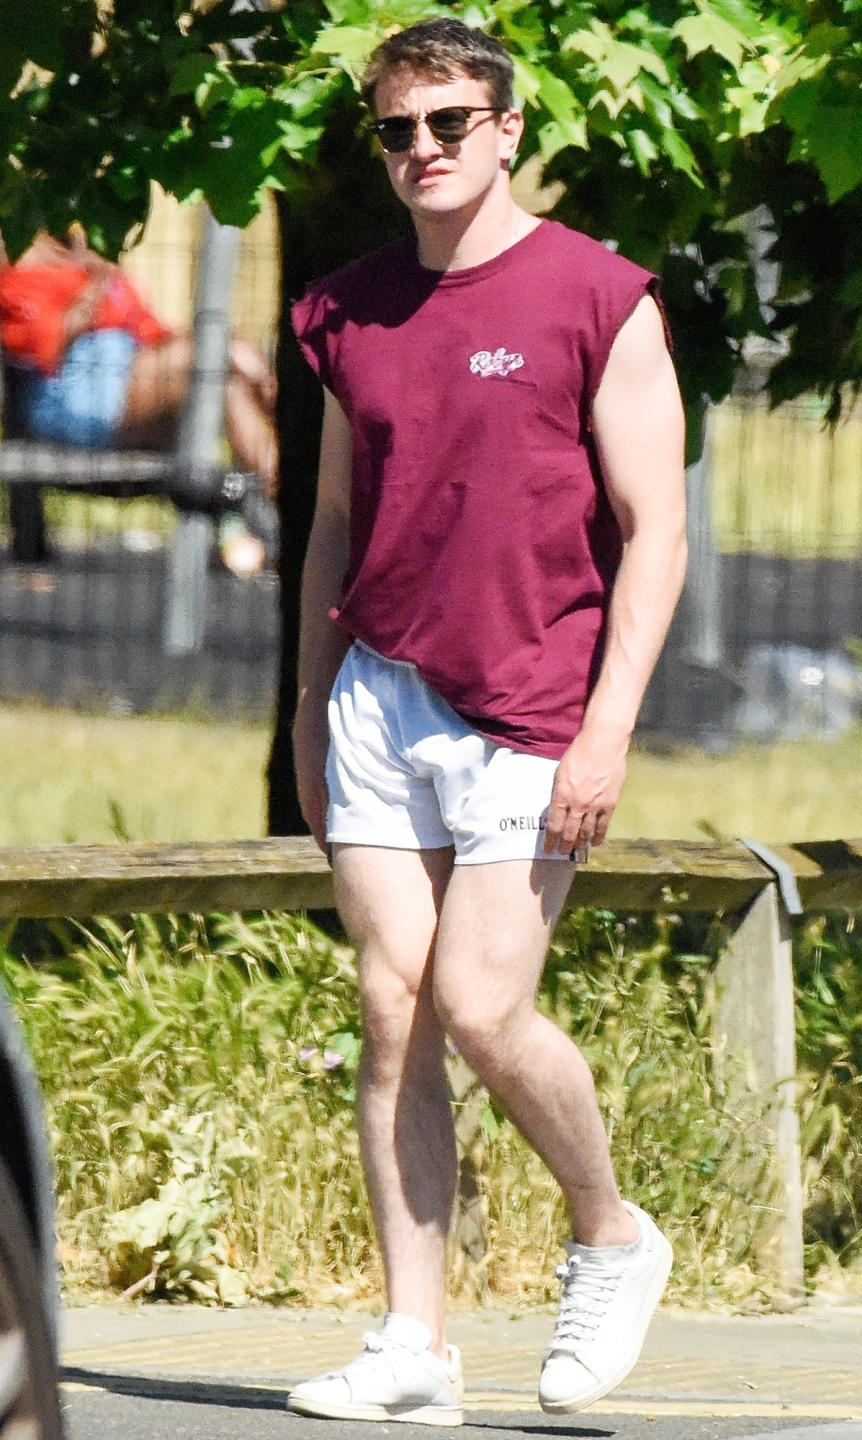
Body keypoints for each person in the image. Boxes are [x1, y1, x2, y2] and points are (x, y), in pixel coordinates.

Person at [288, 17, 687, 1425]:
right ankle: (415, 1343)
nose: (423, 151)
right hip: (380, 697)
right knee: (392, 1008)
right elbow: (335, 523)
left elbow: (657, 532)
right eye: (397, 130)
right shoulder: (344, 309)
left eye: (450, 123)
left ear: (508, 128)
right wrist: (306, 705)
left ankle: (611, 1234)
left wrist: (608, 728)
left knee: (479, 1003)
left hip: (532, 704)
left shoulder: (597, 295)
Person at [0, 229, 277, 572]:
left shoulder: (106, 272)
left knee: (227, 380)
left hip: (132, 389)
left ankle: (276, 492)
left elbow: (152, 331)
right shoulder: (20, 277)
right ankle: (287, 481)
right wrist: (93, 286)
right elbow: (47, 346)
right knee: (218, 351)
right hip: (76, 405)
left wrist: (104, 275)